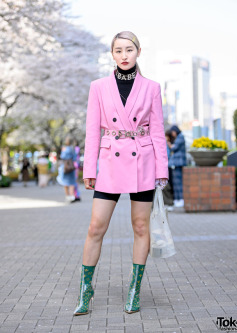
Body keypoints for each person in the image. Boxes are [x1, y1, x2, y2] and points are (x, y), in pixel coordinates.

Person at [73, 31, 169, 316]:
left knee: (140, 227)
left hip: (143, 161)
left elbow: (158, 132)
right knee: (95, 227)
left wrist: (161, 170)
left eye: (129, 49)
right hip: (110, 161)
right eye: (118, 51)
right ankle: (85, 290)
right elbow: (92, 131)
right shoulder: (98, 87)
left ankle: (134, 290)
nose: (124, 55)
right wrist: (89, 168)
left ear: (138, 52)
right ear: (112, 55)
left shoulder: (151, 87)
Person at [167, 125, 187, 207]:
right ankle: (178, 199)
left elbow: (173, 148)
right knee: (176, 182)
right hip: (176, 163)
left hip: (178, 163)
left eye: (172, 132)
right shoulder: (179, 137)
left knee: (178, 182)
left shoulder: (180, 137)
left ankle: (180, 199)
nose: (172, 134)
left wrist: (168, 144)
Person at [56, 136, 77, 203]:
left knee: (65, 182)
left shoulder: (66, 148)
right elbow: (75, 157)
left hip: (65, 167)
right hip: (71, 166)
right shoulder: (73, 148)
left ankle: (68, 196)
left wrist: (63, 151)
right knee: (72, 182)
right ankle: (72, 196)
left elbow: (63, 156)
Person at [162, 130, 174, 211]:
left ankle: (169, 203)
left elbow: (167, 155)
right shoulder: (165, 144)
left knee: (167, 186)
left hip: (166, 166)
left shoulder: (167, 144)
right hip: (165, 166)